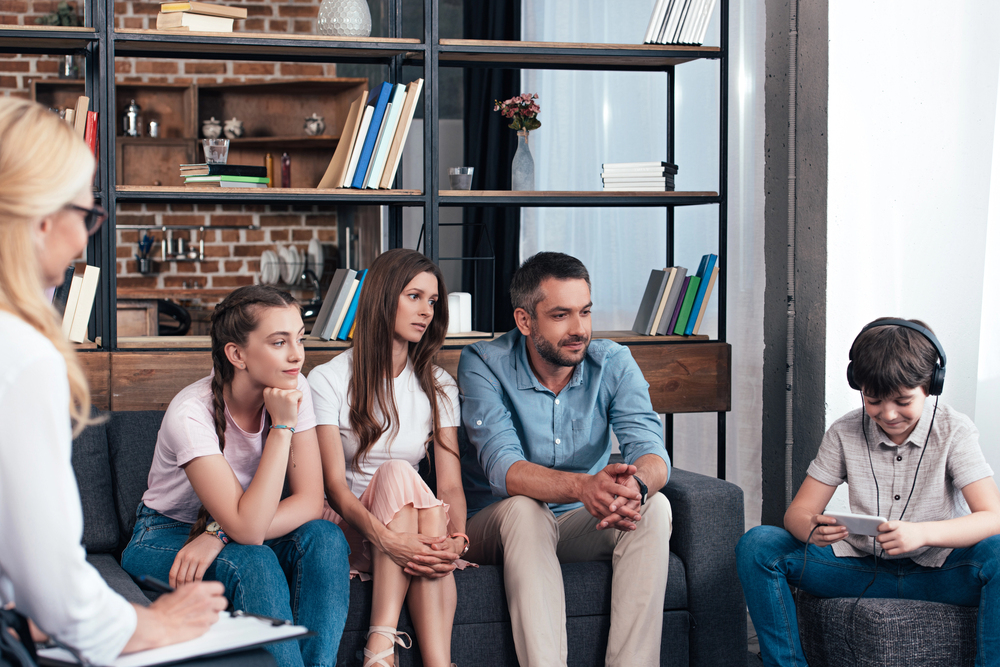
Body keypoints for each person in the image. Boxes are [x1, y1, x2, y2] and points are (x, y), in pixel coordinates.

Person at [0, 97, 228, 664]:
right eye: (85, 215)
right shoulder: (22, 354)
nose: (84, 241)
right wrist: (147, 624)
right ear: (43, 217)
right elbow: (51, 577)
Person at [737, 318, 1000, 666]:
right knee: (758, 545)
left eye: (903, 401)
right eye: (874, 401)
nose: (888, 414)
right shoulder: (844, 431)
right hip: (858, 570)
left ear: (931, 386)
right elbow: (796, 515)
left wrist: (921, 534)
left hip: (939, 574)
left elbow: (993, 517)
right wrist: (814, 529)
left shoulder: (955, 430)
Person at [459, 251, 673, 667]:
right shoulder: (484, 362)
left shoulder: (612, 361)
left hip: (577, 523)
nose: (579, 330)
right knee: (525, 509)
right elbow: (504, 468)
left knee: (654, 506)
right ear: (525, 321)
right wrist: (583, 486)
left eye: (585, 312)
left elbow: (651, 450)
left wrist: (636, 485)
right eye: (561, 315)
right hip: (495, 525)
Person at [121, 284, 351, 667]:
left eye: (299, 338)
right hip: (166, 533)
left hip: (244, 526)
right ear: (237, 354)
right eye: (279, 342)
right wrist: (282, 428)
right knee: (252, 560)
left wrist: (218, 533)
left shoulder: (297, 387)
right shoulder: (189, 414)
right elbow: (246, 531)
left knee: (325, 537)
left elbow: (310, 501)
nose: (297, 355)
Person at [308, 249, 470, 667]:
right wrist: (386, 537)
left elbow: (450, 484)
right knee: (398, 471)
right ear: (383, 298)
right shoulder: (327, 380)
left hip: (416, 529)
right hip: (350, 529)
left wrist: (457, 537)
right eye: (414, 297)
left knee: (426, 521)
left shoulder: (439, 385)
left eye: (433, 301)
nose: (426, 311)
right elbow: (333, 487)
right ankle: (379, 647)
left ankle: (419, 661)